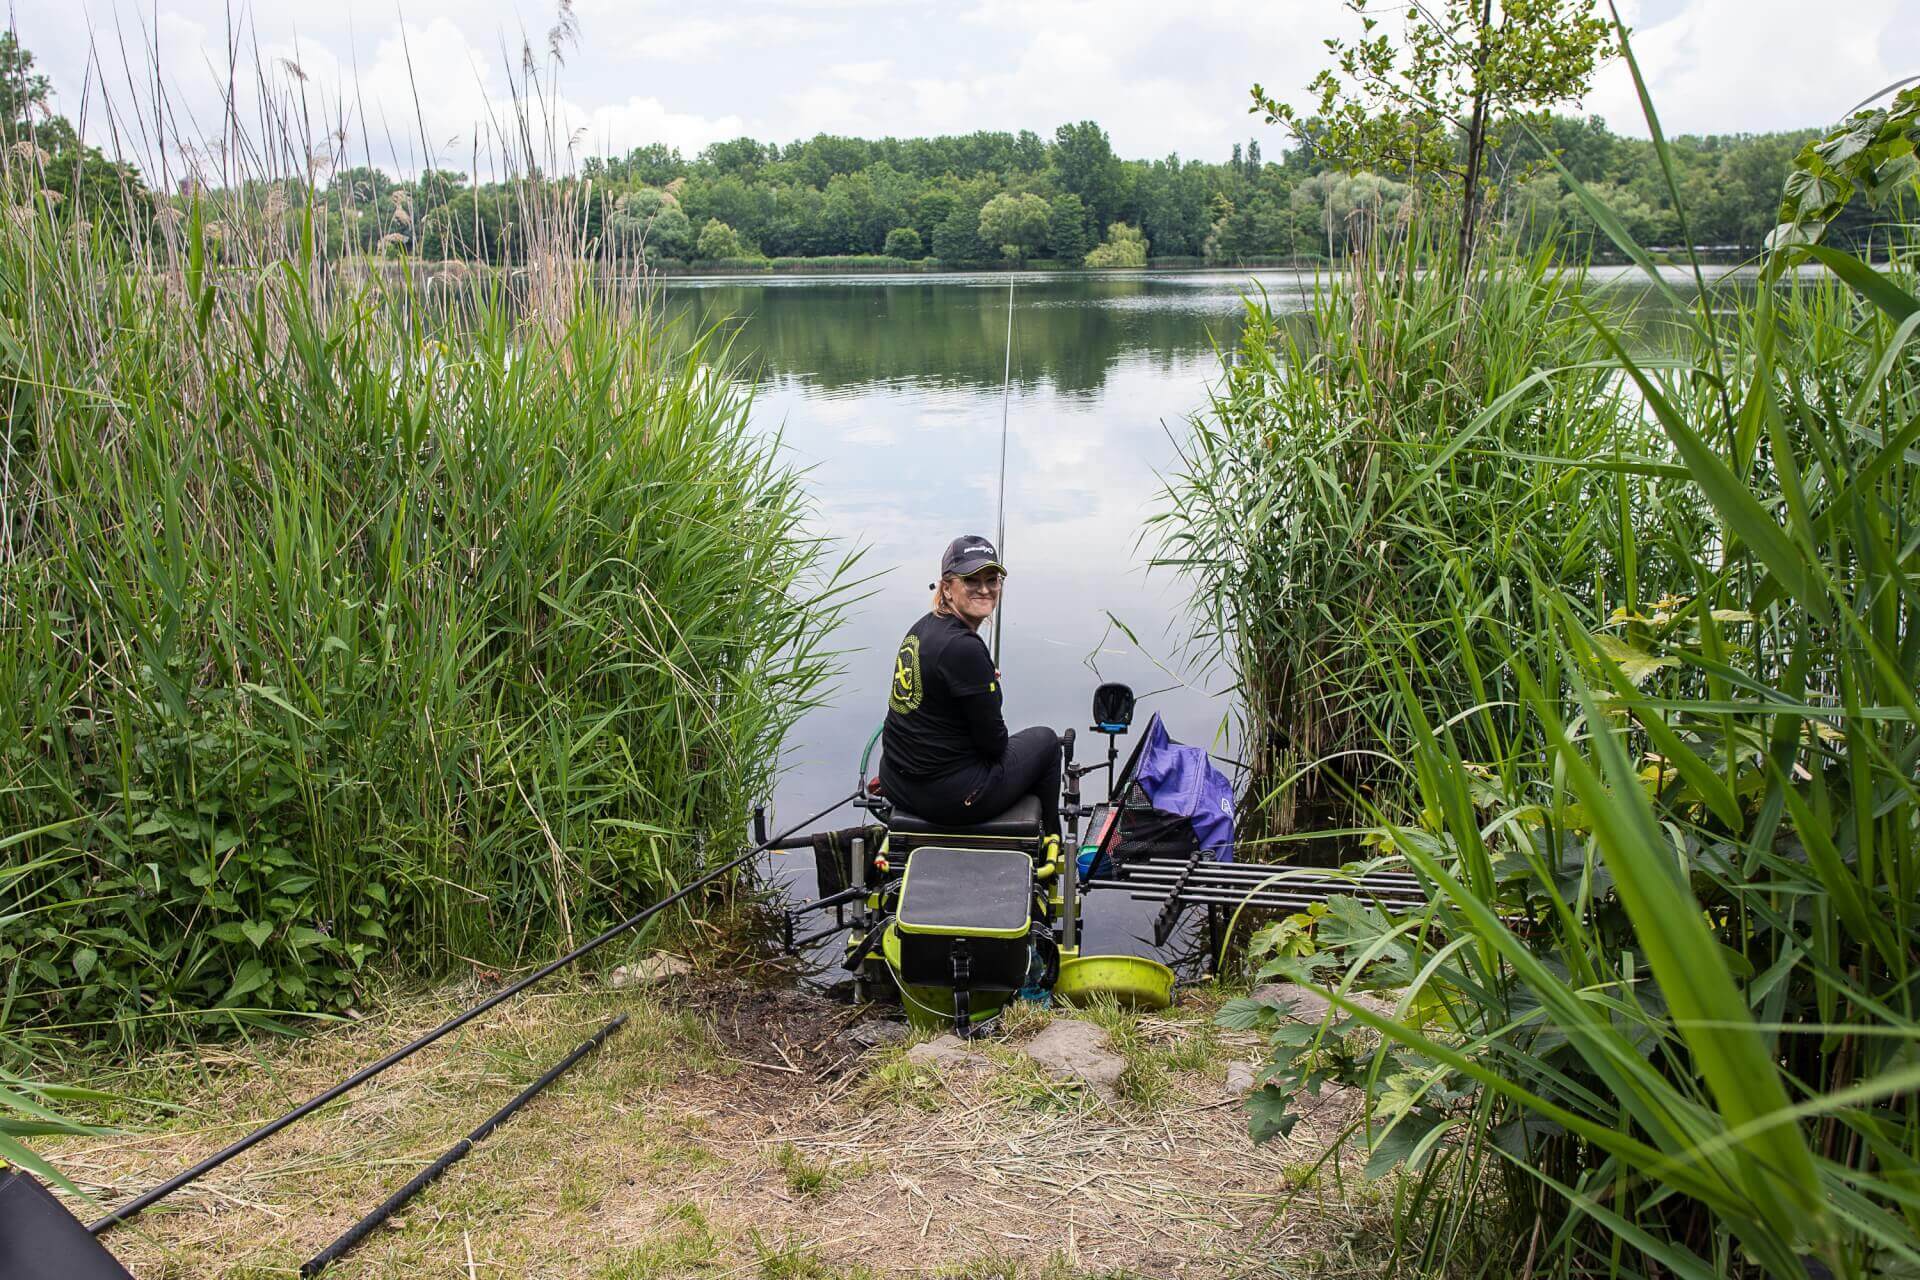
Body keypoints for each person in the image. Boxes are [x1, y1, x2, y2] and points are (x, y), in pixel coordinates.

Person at [878, 534, 1061, 839]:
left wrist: (980, 683)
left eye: (992, 579)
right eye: (971, 580)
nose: (985, 589)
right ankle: (1050, 846)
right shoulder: (964, 648)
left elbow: (938, 696)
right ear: (947, 588)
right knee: (1047, 743)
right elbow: (994, 745)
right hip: (951, 800)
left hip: (897, 782)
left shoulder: (923, 627)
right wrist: (991, 691)